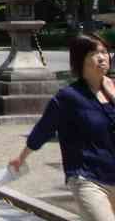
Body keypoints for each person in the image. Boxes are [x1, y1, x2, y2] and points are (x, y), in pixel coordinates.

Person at [9, 34, 115, 221]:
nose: (102, 57)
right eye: (93, 53)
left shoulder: (113, 90)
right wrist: (21, 158)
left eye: (104, 52)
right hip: (87, 178)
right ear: (80, 59)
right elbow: (44, 129)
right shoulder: (68, 97)